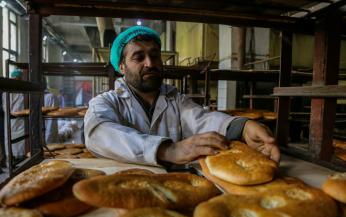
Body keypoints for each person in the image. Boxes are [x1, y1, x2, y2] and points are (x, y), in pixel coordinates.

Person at [84, 26, 280, 166]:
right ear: (121, 67)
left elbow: (203, 119)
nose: (150, 63)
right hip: (127, 188)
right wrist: (168, 150)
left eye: (154, 55)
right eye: (138, 57)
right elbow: (98, 133)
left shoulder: (175, 99)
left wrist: (243, 127)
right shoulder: (107, 102)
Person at [2, 69, 25, 160]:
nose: (16, 80)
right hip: (9, 121)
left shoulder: (24, 93)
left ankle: (20, 157)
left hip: (21, 122)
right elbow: (5, 108)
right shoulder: (5, 93)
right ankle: (11, 158)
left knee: (20, 143)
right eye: (14, 78)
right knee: (10, 141)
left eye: (18, 79)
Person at [43, 79, 59, 144]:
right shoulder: (51, 97)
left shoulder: (50, 97)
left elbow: (52, 120)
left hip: (48, 133)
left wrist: (48, 139)